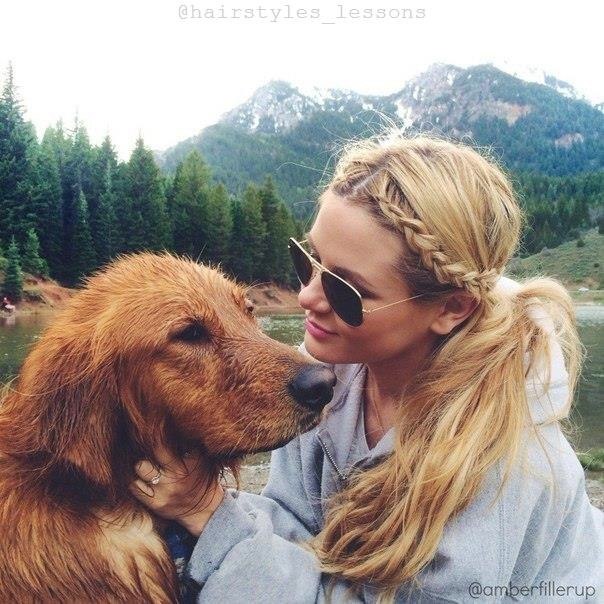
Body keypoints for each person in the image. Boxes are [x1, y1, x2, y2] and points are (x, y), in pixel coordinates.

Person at [131, 131, 604, 603]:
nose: (306, 297)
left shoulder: (506, 467)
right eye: (308, 261)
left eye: (345, 290)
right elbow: (295, 527)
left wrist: (209, 512)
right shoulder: (327, 374)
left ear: (451, 308)